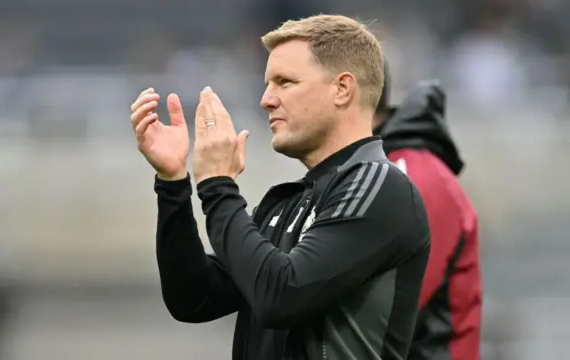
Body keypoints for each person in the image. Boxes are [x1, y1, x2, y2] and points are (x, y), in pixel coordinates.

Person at [130, 15, 430, 360]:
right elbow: (193, 299)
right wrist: (173, 184)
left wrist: (217, 184)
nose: (266, 100)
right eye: (267, 84)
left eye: (284, 82)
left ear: (342, 89)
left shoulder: (379, 186)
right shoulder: (288, 203)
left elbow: (282, 296)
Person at [373, 68, 482, 360]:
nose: (270, 99)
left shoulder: (413, 178)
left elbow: (387, 310)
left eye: (289, 83)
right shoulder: (370, 172)